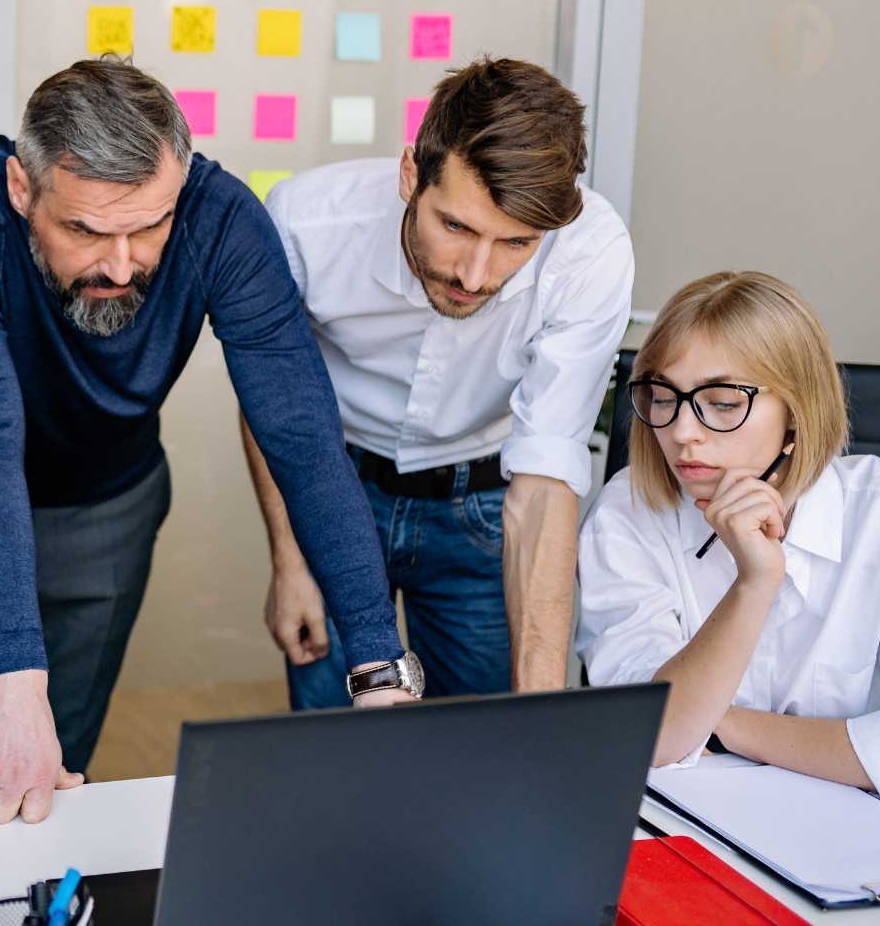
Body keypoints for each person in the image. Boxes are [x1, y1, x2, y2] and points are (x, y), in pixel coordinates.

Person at [0, 58, 417, 824]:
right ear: (21, 189)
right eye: (84, 230)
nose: (121, 263)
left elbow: (301, 433)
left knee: (44, 766)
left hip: (107, 509)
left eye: (149, 227)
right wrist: (12, 673)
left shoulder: (222, 219)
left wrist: (378, 665)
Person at [249, 57, 632, 707]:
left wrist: (538, 718)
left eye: (515, 243)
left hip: (484, 506)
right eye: (455, 226)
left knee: (481, 746)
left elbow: (545, 482)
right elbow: (276, 408)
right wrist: (289, 559)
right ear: (410, 175)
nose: (476, 274)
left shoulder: (589, 254)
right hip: (329, 487)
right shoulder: (303, 224)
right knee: (331, 755)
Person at [576, 272, 880, 816]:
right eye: (663, 397)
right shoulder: (628, 513)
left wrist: (726, 723)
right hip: (682, 828)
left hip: (855, 835)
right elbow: (648, 738)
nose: (683, 432)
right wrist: (754, 584)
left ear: (795, 414)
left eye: (720, 402)